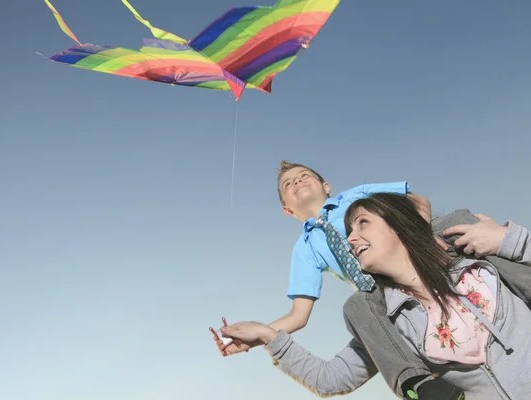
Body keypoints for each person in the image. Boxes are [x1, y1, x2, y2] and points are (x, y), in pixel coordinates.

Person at [218, 192, 531, 400]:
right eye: (350, 231)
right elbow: (330, 378)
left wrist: (511, 240)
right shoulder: (385, 323)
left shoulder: (475, 256)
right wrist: (267, 335)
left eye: (363, 223)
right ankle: (417, 388)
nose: (352, 238)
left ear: (396, 225)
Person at [215, 160, 461, 399]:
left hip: (415, 259)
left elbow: (417, 200)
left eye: (304, 175)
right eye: (288, 184)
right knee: (357, 305)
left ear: (326, 186)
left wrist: (423, 236)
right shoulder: (305, 249)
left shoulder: (354, 197)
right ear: (287, 209)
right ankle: (419, 385)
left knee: (455, 224)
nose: (297, 181)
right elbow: (298, 316)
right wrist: (257, 336)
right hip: (381, 297)